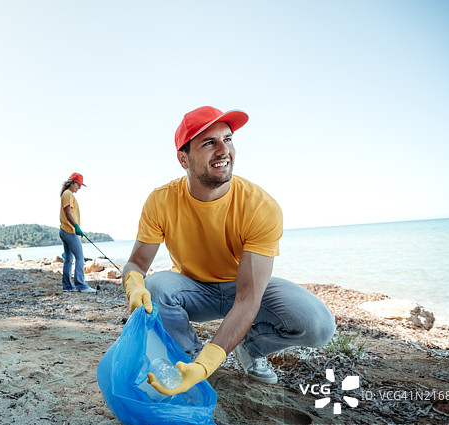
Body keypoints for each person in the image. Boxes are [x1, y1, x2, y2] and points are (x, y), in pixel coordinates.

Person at [122, 106, 335, 395]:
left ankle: (250, 347)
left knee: (318, 324)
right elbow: (136, 262)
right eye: (209, 142)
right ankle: (188, 361)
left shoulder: (260, 205)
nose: (224, 150)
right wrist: (134, 285)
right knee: (156, 287)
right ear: (183, 159)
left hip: (243, 287)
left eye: (228, 139)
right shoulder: (161, 201)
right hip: (194, 290)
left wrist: (212, 360)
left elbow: (249, 297)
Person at [59, 172, 97, 293]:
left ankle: (67, 286)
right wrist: (76, 226)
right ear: (73, 183)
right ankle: (81, 285)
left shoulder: (67, 194)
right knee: (80, 257)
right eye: (79, 185)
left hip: (65, 230)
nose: (79, 187)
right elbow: (67, 213)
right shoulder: (68, 194)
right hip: (69, 231)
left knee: (69, 259)